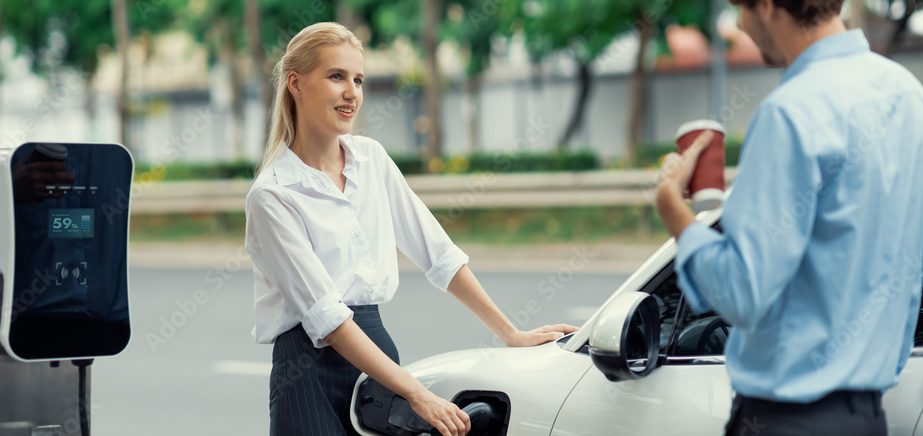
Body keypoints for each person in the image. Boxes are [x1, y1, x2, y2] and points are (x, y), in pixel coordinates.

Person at [245, 22, 576, 436]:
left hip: (377, 357)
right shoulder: (272, 195)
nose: (352, 93)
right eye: (336, 77)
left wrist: (509, 332)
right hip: (306, 374)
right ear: (295, 83)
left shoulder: (372, 159)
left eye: (358, 79)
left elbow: (437, 254)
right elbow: (328, 321)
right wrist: (417, 393)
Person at [655, 0, 923, 434]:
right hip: (868, 419)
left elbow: (742, 291)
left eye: (737, 9)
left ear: (764, 6)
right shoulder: (909, 96)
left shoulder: (791, 112)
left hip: (785, 421)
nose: (740, 26)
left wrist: (674, 212)